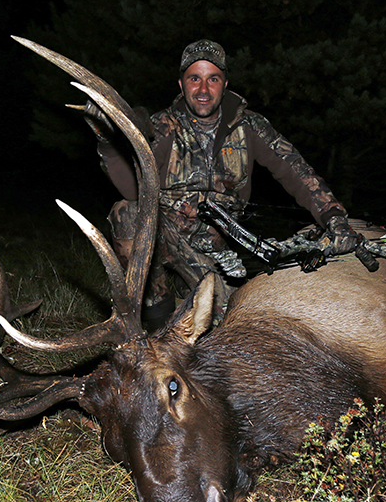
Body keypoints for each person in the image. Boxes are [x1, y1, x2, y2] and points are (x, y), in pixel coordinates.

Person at [85, 39, 360, 323]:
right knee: (127, 212)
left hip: (219, 248)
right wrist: (105, 140)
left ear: (225, 84)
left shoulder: (251, 126)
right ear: (181, 85)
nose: (203, 90)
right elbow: (134, 189)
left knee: (228, 323)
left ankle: (191, 290)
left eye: (212, 79)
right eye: (194, 79)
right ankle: (157, 312)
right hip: (166, 236)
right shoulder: (162, 127)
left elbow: (298, 173)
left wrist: (334, 217)